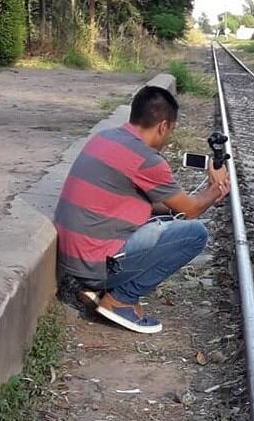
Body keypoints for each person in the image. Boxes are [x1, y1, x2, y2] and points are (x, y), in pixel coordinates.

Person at [54, 86, 230, 334]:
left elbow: (145, 203)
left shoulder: (105, 137)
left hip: (70, 260)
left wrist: (179, 207)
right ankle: (120, 300)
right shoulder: (147, 158)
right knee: (195, 233)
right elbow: (190, 211)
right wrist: (216, 189)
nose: (168, 137)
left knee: (163, 216)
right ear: (163, 126)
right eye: (171, 130)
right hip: (92, 265)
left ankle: (96, 290)